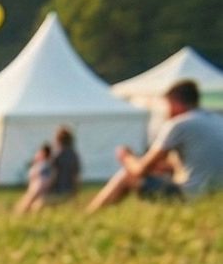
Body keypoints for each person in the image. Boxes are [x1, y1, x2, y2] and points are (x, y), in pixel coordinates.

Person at [88, 80, 223, 212]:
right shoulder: (217, 120)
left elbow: (140, 170)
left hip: (191, 196)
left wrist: (126, 157)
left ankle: (92, 216)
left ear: (175, 102)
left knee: (128, 175)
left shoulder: (179, 124)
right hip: (216, 197)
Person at [14, 142, 55, 216]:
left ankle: (20, 214)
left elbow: (35, 175)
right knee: (28, 200)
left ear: (43, 153)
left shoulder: (45, 164)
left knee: (28, 200)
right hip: (38, 186)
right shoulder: (44, 163)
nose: (37, 154)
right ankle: (20, 213)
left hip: (39, 186)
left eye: (39, 152)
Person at [48, 126, 80, 204]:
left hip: (57, 191)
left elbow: (52, 175)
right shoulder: (74, 155)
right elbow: (76, 176)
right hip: (69, 192)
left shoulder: (56, 154)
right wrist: (74, 192)